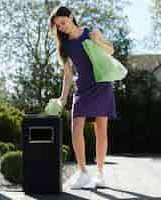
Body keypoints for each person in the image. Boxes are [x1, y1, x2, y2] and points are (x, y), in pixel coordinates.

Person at [49, 6, 116, 189]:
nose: (61, 27)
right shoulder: (65, 46)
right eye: (58, 26)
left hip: (102, 84)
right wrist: (63, 98)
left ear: (71, 17)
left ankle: (100, 174)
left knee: (101, 129)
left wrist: (98, 40)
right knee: (76, 126)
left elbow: (110, 50)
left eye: (63, 22)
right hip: (83, 88)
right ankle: (83, 172)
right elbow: (68, 74)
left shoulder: (90, 33)